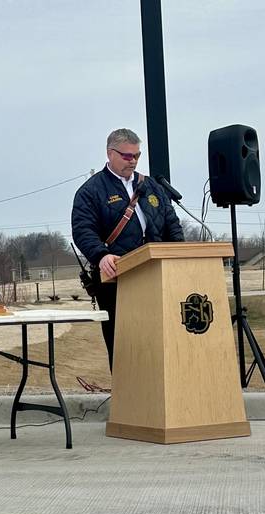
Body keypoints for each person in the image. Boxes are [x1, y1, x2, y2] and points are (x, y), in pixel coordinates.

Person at [71, 128, 184, 371]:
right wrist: (101, 255)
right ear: (110, 153)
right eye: (127, 156)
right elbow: (83, 230)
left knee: (160, 340)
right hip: (117, 277)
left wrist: (178, 256)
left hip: (156, 276)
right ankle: (127, 397)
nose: (132, 161)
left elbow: (171, 224)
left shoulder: (152, 187)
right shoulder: (91, 191)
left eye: (137, 156)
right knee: (123, 342)